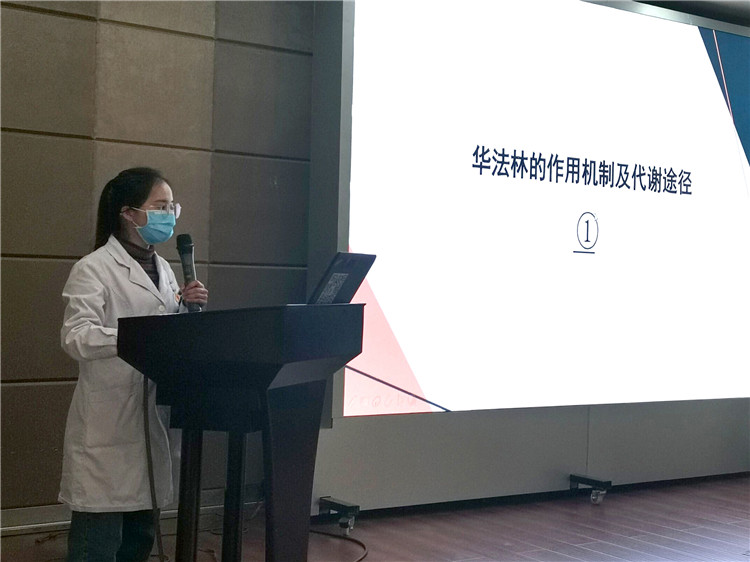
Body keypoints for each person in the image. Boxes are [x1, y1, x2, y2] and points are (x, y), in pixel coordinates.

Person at [59, 167, 208, 561]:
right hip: (108, 426)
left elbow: (165, 332)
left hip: (151, 417)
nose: (170, 215)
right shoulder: (93, 268)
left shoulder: (165, 270)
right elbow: (76, 335)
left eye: (173, 207)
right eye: (160, 206)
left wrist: (185, 310)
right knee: (98, 545)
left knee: (139, 539)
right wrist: (135, 338)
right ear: (128, 213)